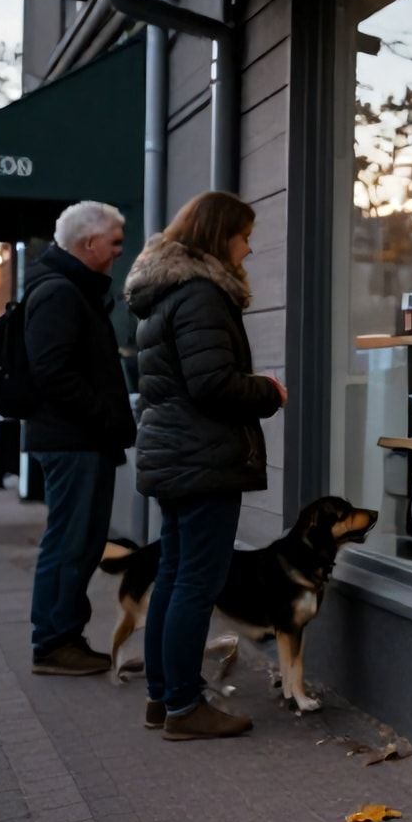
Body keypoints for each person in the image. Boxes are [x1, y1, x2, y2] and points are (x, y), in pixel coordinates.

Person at [126, 192, 285, 740]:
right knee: (196, 581)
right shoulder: (200, 295)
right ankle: (184, 707)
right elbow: (212, 384)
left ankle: (162, 699)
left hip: (176, 455)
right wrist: (268, 390)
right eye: (243, 234)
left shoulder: (166, 295)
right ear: (219, 238)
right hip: (202, 457)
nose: (249, 245)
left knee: (173, 574)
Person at [25, 201, 138, 676]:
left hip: (79, 439)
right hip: (74, 441)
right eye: (114, 244)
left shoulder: (70, 290)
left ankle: (61, 637)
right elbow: (51, 371)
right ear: (88, 244)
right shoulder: (60, 293)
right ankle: (53, 643)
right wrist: (104, 417)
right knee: (71, 543)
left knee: (80, 543)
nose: (118, 253)